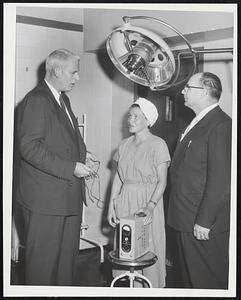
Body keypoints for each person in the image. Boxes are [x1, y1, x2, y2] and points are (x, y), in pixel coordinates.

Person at [16, 49, 96, 285]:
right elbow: (29, 148)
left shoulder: (62, 98)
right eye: (74, 72)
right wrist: (72, 167)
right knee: (42, 268)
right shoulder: (36, 100)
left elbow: (68, 138)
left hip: (67, 198)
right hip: (45, 202)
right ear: (57, 70)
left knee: (65, 265)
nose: (77, 77)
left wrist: (84, 154)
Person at [167, 72, 232, 289]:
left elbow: (221, 180)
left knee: (206, 282)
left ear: (205, 91)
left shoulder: (221, 125)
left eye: (188, 87)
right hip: (184, 217)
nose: (183, 91)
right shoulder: (196, 123)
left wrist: (205, 220)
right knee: (189, 282)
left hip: (202, 224)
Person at [108, 98, 171, 288]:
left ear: (148, 120)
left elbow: (162, 181)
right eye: (130, 116)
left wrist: (150, 207)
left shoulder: (158, 144)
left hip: (147, 202)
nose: (130, 120)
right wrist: (112, 206)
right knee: (127, 251)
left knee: (148, 248)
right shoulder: (124, 145)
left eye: (136, 116)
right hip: (125, 201)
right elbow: (118, 178)